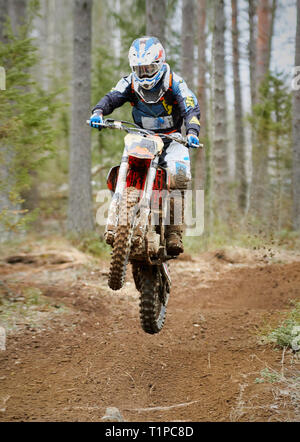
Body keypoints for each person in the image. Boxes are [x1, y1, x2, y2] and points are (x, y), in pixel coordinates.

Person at [90, 36, 201, 255]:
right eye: (140, 69)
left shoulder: (174, 83)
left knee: (180, 177)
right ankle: (117, 218)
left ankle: (173, 232)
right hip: (141, 136)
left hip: (172, 139)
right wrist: (98, 112)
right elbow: (112, 97)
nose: (145, 74)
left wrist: (192, 132)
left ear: (159, 63)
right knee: (125, 167)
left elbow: (191, 107)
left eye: (149, 68)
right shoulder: (130, 82)